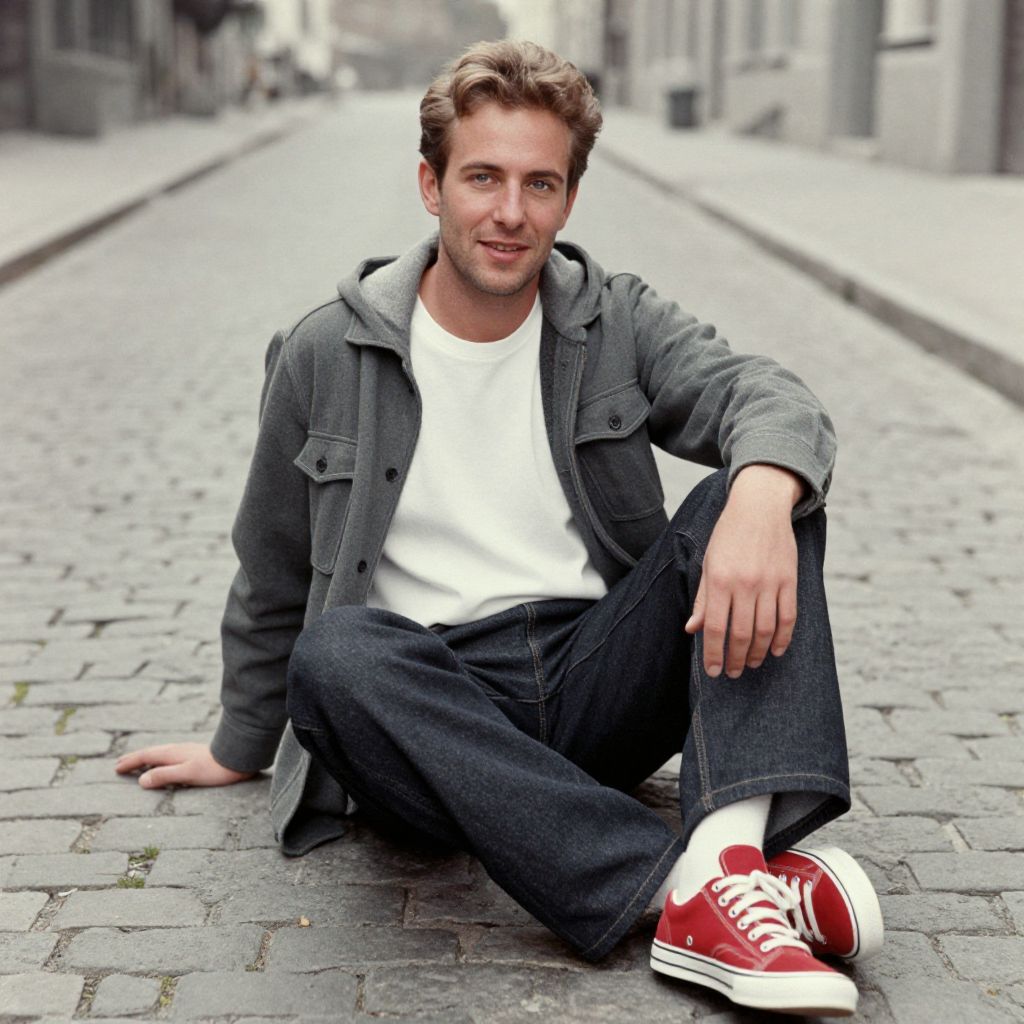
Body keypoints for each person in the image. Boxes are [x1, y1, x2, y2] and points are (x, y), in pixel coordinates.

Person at [116, 39, 883, 1016]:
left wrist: (765, 497)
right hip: (429, 708)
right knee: (337, 649)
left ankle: (726, 856)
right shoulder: (323, 350)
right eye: (482, 177)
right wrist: (237, 739)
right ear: (431, 184)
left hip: (593, 676)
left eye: (540, 183)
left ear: (568, 199)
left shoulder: (614, 320)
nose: (510, 212)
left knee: (764, 491)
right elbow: (270, 564)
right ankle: (698, 889)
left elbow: (764, 395)